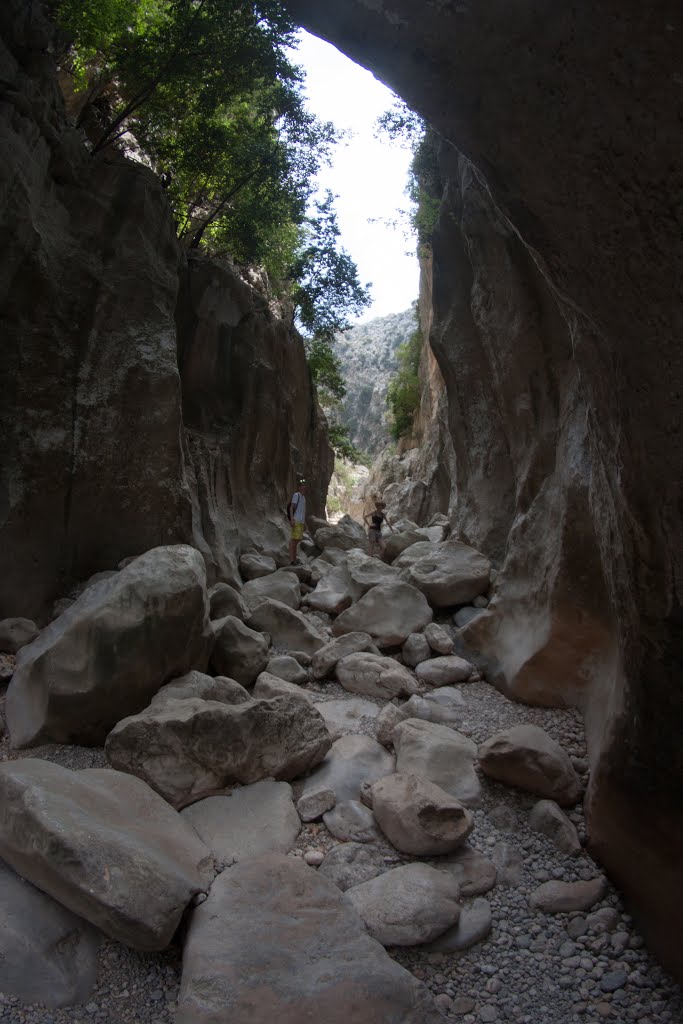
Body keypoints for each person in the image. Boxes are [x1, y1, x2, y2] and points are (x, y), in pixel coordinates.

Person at [288, 478, 307, 564]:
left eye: (304, 485)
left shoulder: (303, 498)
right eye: (302, 485)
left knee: (296, 541)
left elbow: (303, 511)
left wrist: (304, 523)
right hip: (296, 521)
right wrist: (292, 519)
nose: (303, 487)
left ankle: (294, 559)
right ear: (299, 487)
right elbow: (292, 507)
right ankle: (292, 560)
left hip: (301, 522)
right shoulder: (297, 495)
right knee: (293, 541)